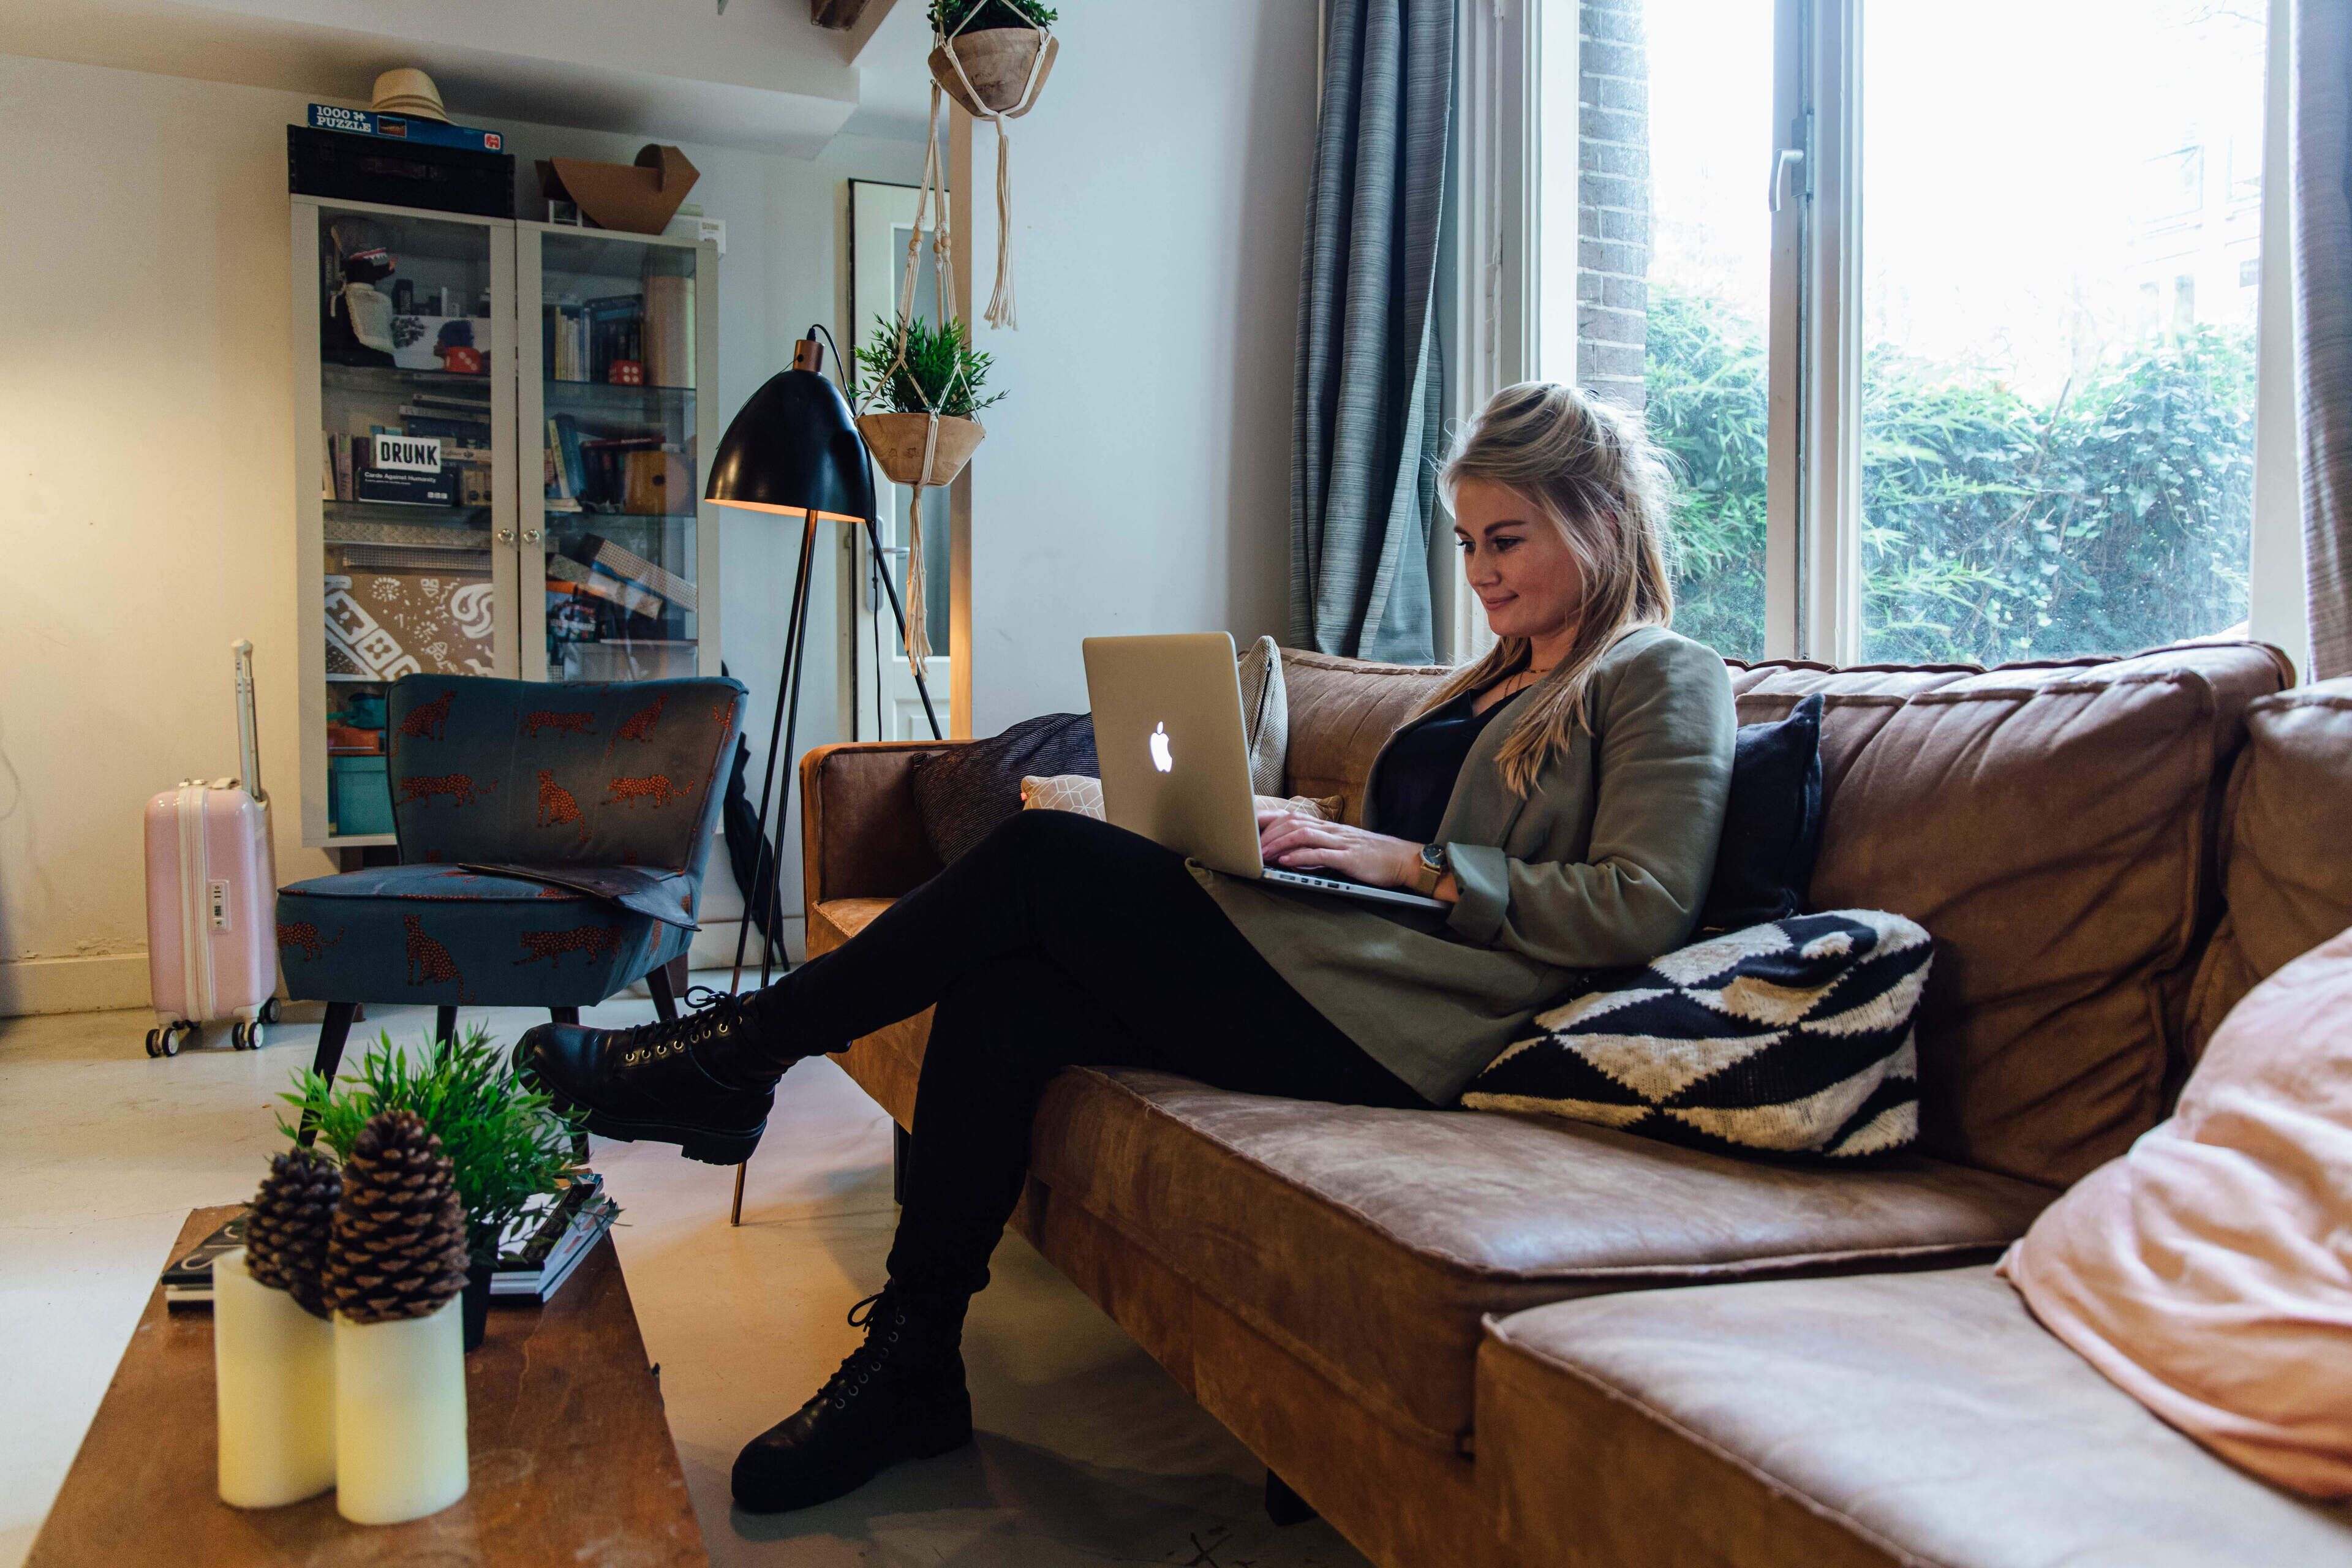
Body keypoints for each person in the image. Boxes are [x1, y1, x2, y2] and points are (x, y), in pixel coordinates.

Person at [515, 380, 1737, 1514]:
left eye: (1504, 538)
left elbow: (1644, 902)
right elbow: (1425, 854)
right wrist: (1318, 834)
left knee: (1049, 861)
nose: (1477, 569)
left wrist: (1412, 865)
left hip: (1425, 1030)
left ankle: (739, 1050)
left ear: (1598, 515)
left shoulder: (1661, 675)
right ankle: (912, 1363)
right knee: (1008, 995)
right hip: (1349, 960)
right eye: (1466, 541)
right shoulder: (1498, 676)